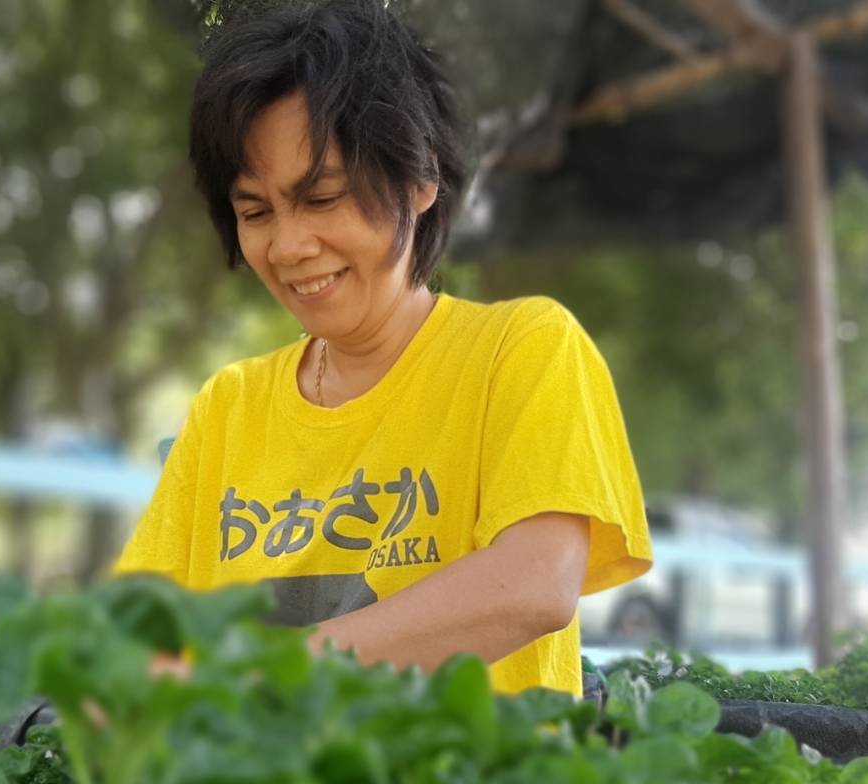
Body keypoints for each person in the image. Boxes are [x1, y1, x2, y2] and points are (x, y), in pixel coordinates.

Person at [112, 0, 652, 696]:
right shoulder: (226, 408)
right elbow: (134, 639)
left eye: (322, 198)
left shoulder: (523, 350)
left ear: (419, 180)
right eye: (256, 212)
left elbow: (534, 584)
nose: (288, 246)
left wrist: (254, 677)